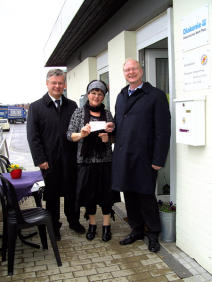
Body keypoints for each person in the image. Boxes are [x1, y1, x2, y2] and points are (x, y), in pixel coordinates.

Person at [108, 59, 171, 252]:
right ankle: (136, 230)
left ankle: (153, 233)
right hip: (124, 156)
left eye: (134, 69)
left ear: (141, 71)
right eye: (127, 70)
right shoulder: (120, 95)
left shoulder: (155, 95)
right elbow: (122, 125)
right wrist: (112, 129)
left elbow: (163, 131)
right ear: (124, 73)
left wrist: (158, 159)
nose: (131, 72)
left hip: (145, 157)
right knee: (129, 195)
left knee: (146, 196)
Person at [27, 69, 85, 241]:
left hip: (70, 159)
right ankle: (54, 225)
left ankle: (73, 221)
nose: (58, 86)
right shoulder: (36, 107)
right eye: (54, 83)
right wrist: (40, 160)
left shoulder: (72, 105)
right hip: (49, 161)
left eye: (60, 83)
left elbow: (77, 131)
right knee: (52, 195)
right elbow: (33, 136)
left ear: (64, 84)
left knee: (71, 193)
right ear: (47, 84)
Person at [67, 80, 120, 242]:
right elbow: (69, 135)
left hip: (105, 162)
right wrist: (81, 134)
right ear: (88, 94)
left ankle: (106, 226)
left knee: (106, 196)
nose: (96, 96)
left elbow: (115, 137)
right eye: (93, 93)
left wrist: (108, 138)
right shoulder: (78, 113)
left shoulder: (108, 114)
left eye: (100, 94)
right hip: (85, 162)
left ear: (103, 97)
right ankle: (92, 225)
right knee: (89, 196)